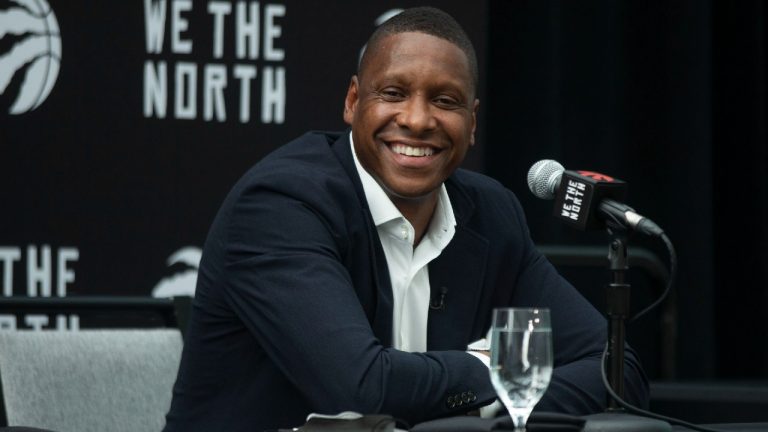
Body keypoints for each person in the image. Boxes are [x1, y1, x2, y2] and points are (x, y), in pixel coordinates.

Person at [163, 7, 649, 432]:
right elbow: (362, 386)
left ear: (473, 122)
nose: (417, 120)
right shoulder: (282, 204)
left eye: (445, 101)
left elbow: (618, 372)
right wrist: (500, 371)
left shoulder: (491, 214)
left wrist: (482, 412)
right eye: (394, 92)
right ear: (353, 103)